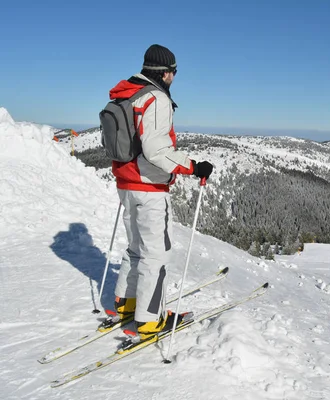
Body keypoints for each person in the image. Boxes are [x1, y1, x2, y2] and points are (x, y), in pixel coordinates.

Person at [107, 44, 213, 340]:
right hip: (150, 187)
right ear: (165, 73)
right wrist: (192, 166)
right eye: (174, 72)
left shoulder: (126, 94)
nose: (174, 78)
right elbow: (156, 149)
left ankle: (125, 303)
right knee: (156, 255)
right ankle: (150, 319)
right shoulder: (156, 97)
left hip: (126, 184)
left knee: (136, 250)